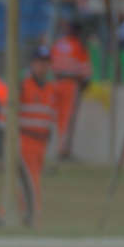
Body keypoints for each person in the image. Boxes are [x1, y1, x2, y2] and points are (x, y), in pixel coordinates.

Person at [6, 47, 60, 228]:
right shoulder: (24, 85)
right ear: (32, 64)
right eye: (40, 63)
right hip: (25, 141)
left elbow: (51, 116)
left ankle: (16, 214)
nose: (43, 67)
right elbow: (8, 111)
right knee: (31, 182)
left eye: (46, 63)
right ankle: (34, 219)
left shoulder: (51, 88)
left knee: (26, 183)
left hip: (41, 143)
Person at [47, 19, 91, 160]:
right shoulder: (79, 46)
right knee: (67, 119)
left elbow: (50, 64)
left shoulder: (58, 45)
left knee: (56, 117)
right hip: (71, 84)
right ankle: (63, 151)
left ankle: (54, 149)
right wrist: (84, 83)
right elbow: (86, 71)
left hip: (55, 83)